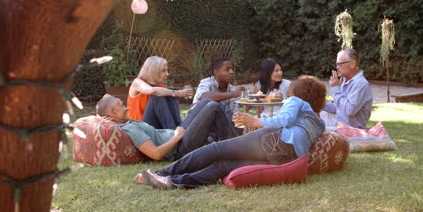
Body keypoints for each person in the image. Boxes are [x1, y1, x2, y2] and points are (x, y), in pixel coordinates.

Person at [135, 75, 326, 189]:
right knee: (223, 166)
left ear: (299, 92)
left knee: (216, 150)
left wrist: (255, 121)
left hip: (275, 141)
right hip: (287, 158)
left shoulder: (296, 101)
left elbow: (284, 120)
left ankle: (160, 174)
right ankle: (172, 182)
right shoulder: (320, 123)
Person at [97, 94, 237, 161]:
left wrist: (176, 133)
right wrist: (177, 137)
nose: (126, 108)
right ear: (112, 113)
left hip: (177, 135)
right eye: (121, 106)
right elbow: (156, 154)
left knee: (206, 101)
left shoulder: (125, 122)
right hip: (179, 148)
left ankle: (227, 142)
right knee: (213, 107)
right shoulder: (131, 130)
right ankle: (237, 146)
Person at [127, 56, 193, 129]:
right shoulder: (137, 83)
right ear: (153, 71)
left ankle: (181, 129)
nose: (167, 74)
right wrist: (175, 93)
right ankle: (172, 132)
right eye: (163, 71)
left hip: (156, 128)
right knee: (159, 95)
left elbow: (175, 113)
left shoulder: (161, 89)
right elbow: (152, 91)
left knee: (168, 94)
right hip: (140, 129)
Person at [322, 49, 373, 129]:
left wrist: (335, 88)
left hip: (351, 131)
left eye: (340, 64)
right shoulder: (346, 81)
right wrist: (318, 104)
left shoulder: (360, 84)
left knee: (314, 130)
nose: (337, 67)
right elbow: (338, 107)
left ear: (352, 64)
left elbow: (349, 111)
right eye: (337, 64)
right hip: (339, 126)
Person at [190, 57, 245, 123]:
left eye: (232, 69)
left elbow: (234, 116)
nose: (232, 72)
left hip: (218, 128)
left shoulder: (232, 90)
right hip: (195, 125)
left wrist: (246, 106)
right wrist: (234, 94)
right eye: (227, 69)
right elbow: (204, 97)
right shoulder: (206, 82)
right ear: (216, 72)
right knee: (213, 106)